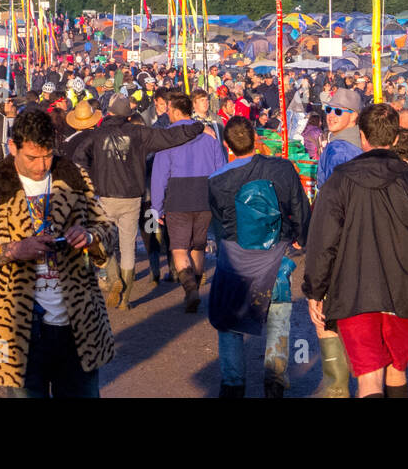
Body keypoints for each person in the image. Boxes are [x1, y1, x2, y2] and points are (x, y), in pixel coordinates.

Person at [0, 108, 115, 396]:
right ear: (13, 146)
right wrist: (11, 250)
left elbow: (106, 227)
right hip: (17, 329)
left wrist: (90, 237)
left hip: (77, 325)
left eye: (47, 155)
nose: (41, 166)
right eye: (32, 157)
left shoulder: (73, 175)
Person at [302, 104, 408, 398]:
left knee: (369, 379)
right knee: (397, 370)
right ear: (396, 138)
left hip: (354, 293)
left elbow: (323, 241)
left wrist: (315, 290)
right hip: (401, 290)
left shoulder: (340, 180)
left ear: (362, 137)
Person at [68, 95, 206, 309]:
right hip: (132, 197)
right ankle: (125, 300)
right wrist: (196, 127)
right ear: (130, 115)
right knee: (128, 246)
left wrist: (90, 181)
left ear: (110, 112)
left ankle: (113, 278)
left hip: (104, 195)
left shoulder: (97, 135)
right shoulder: (139, 133)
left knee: (105, 241)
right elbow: (170, 137)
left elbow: (78, 158)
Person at [208, 115, 311, 398]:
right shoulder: (283, 168)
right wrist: (302, 237)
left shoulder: (216, 180)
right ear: (256, 138)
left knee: (229, 324)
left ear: (227, 145)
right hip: (275, 257)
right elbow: (300, 208)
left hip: (235, 262)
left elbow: (219, 227)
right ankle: (275, 379)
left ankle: (232, 384)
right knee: (278, 317)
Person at [150, 92, 226, 313]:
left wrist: (157, 206)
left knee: (179, 248)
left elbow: (159, 175)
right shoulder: (208, 134)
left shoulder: (168, 136)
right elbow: (219, 167)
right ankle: (197, 283)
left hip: (178, 195)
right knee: (198, 245)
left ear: (174, 111)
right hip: (204, 194)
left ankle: (190, 289)